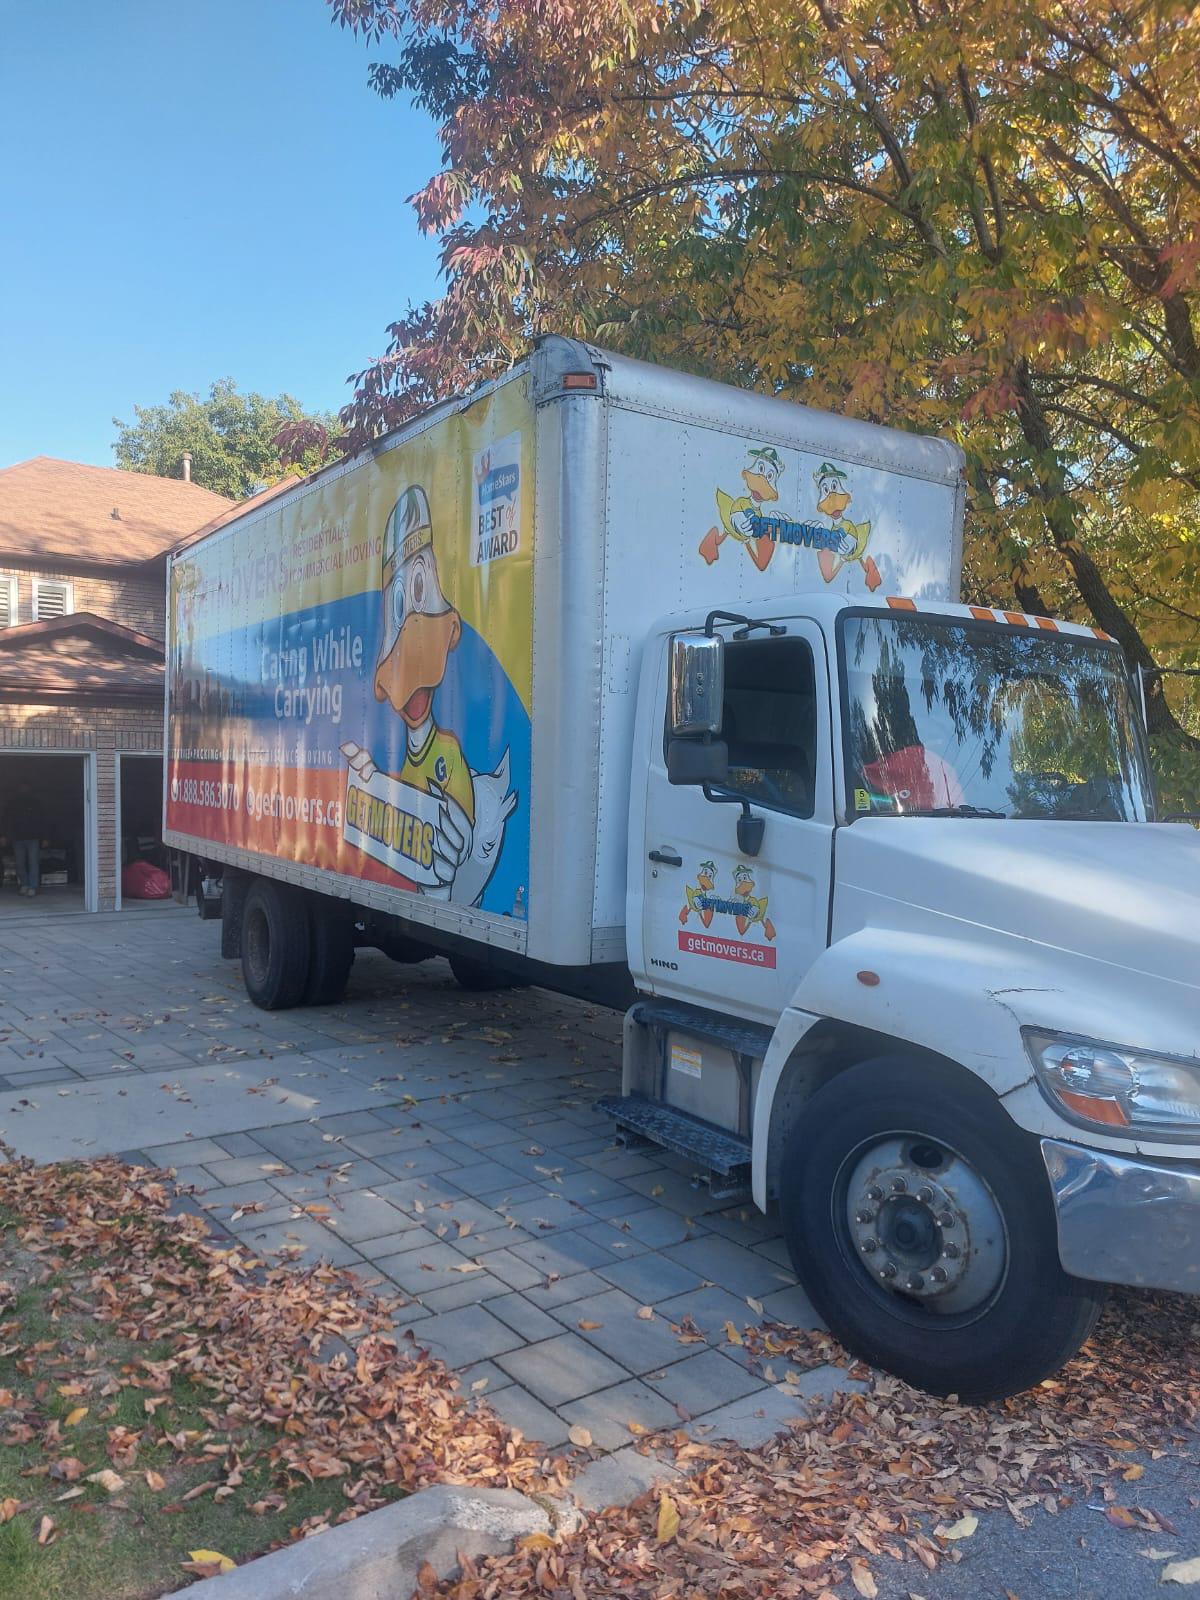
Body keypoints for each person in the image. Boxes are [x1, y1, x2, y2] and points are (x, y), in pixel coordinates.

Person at [5, 778, 42, 897]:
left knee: (33, 862)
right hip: (18, 838)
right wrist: (6, 835)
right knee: (20, 863)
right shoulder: (13, 803)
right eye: (21, 788)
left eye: (25, 787)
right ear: (18, 789)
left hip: (33, 838)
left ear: (29, 789)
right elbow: (8, 820)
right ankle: (24, 884)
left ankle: (33, 887)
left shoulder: (36, 803)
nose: (23, 790)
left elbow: (43, 820)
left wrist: (46, 837)